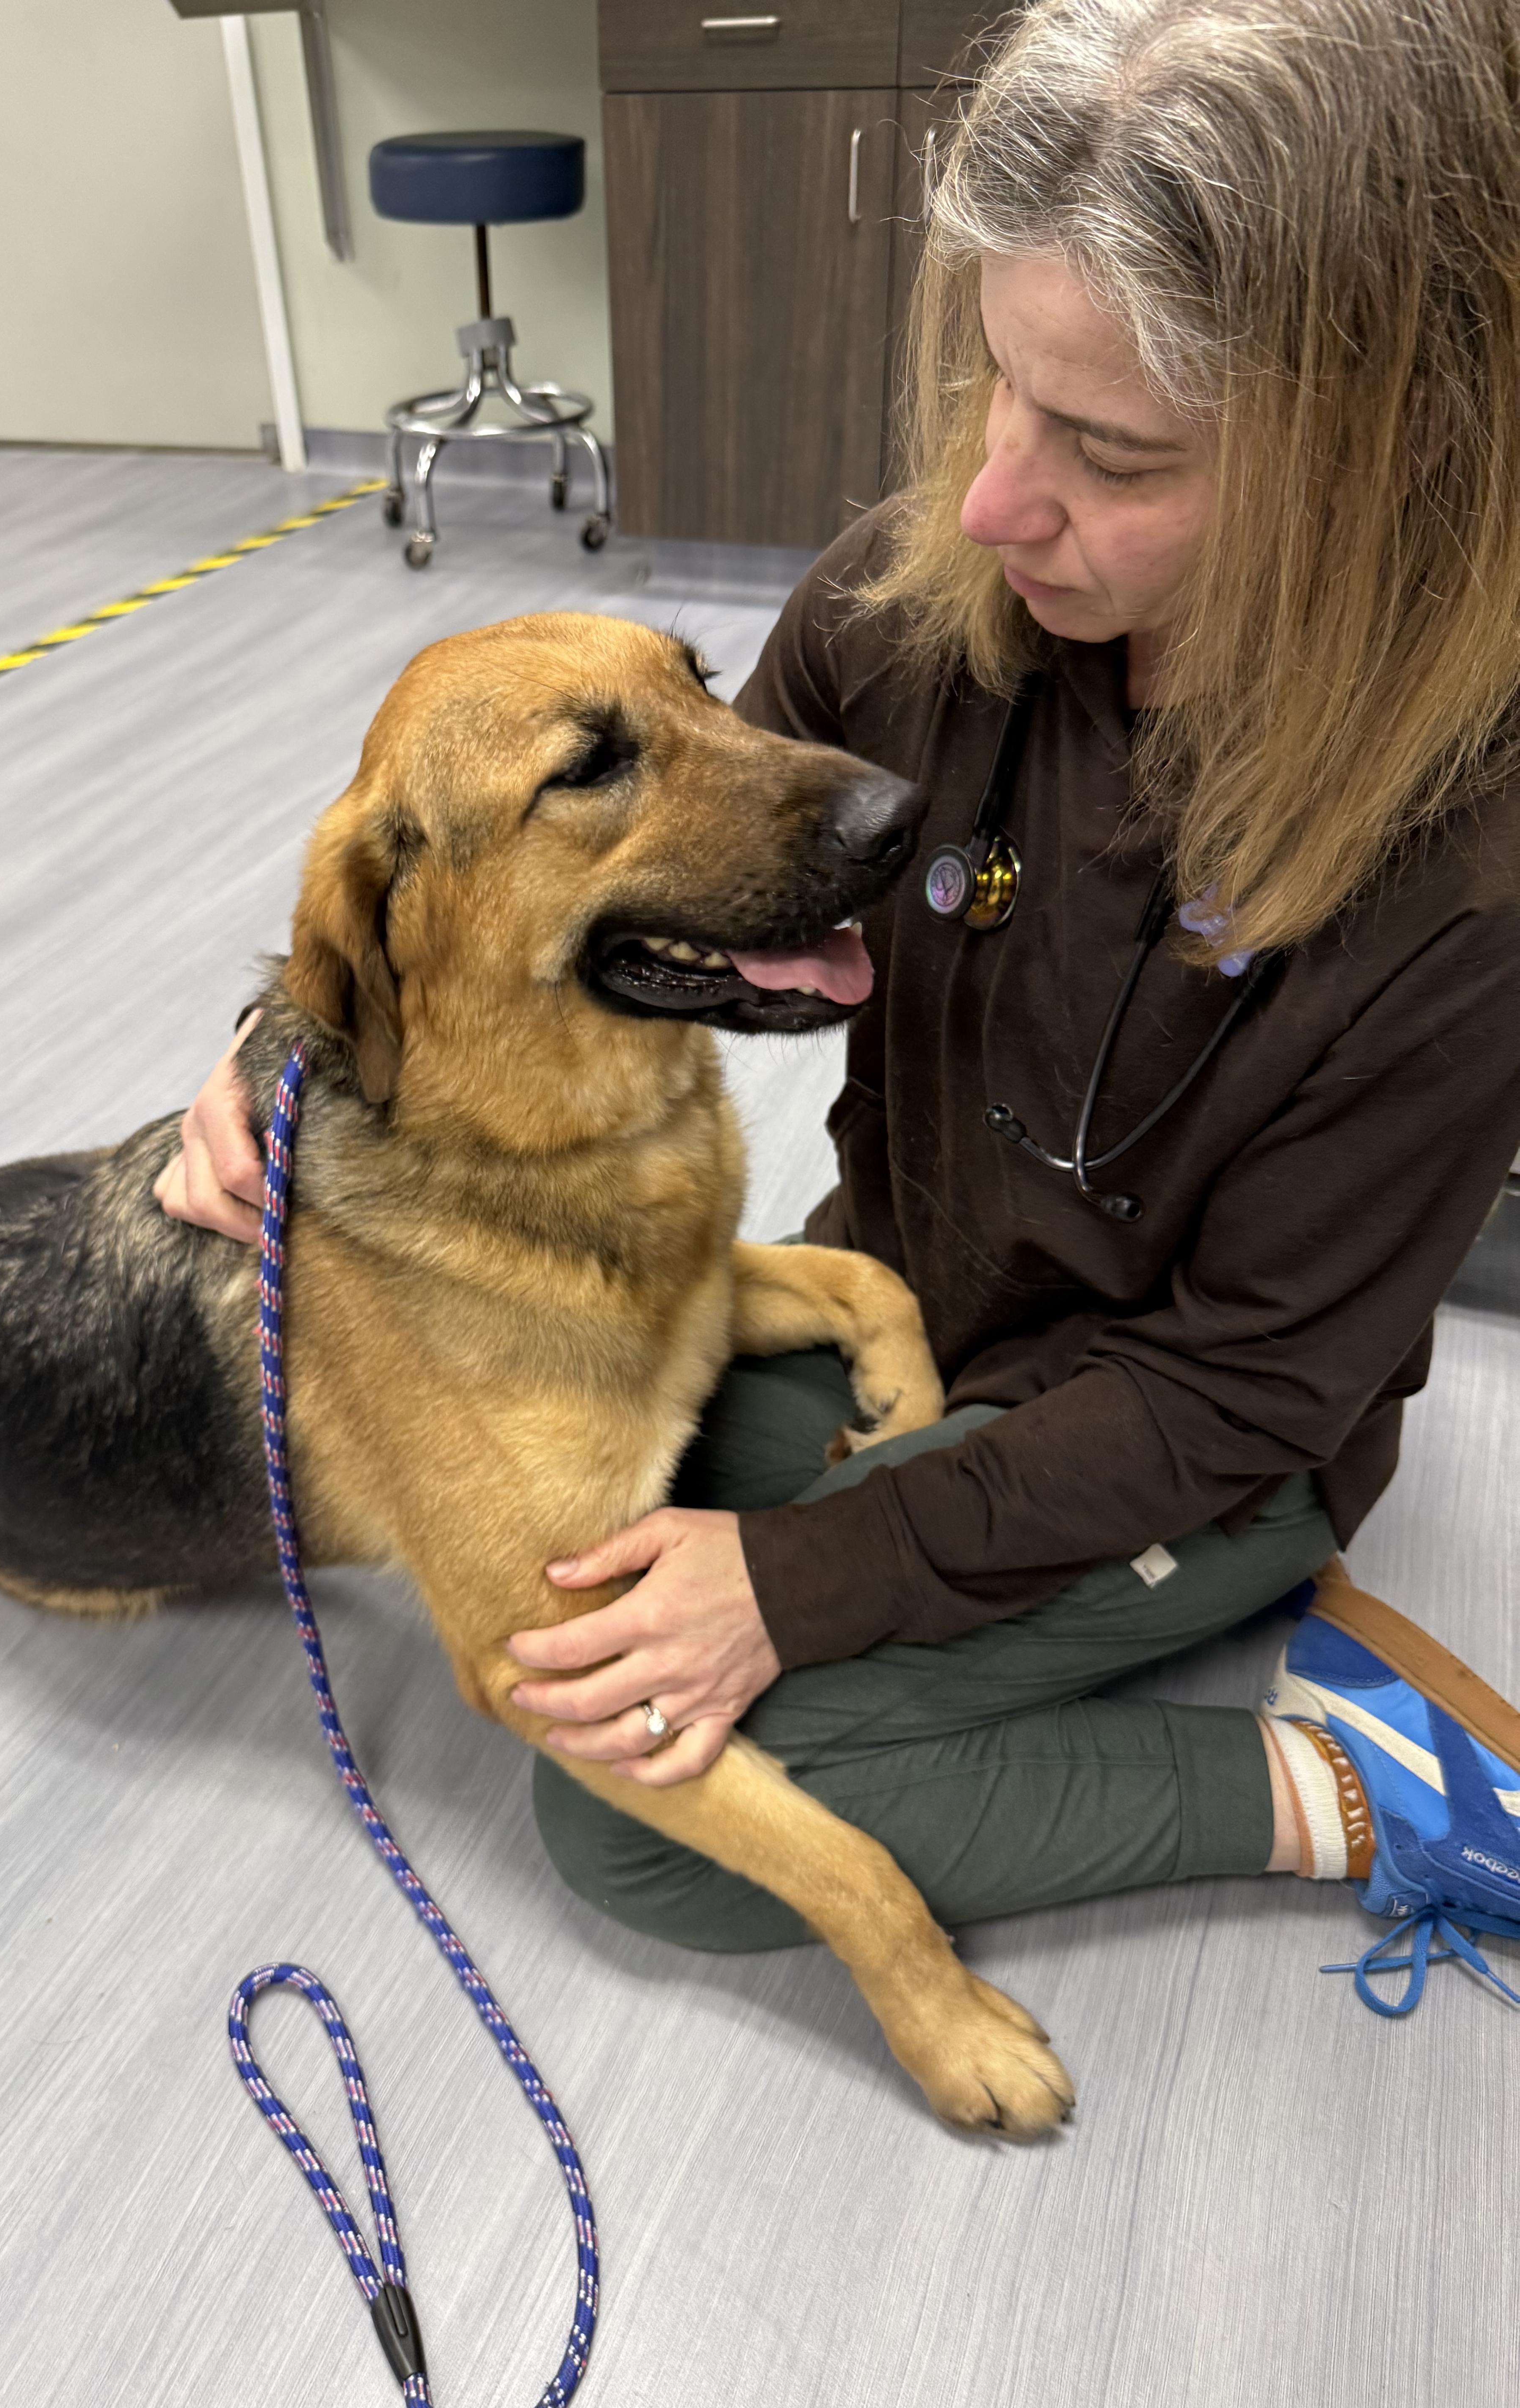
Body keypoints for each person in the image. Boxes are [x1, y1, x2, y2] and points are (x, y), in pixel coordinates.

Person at [159, 0, 1520, 2013]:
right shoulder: (919, 611)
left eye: (1113, 452)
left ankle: (1355, 1781)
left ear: (1382, 447)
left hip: (1191, 1444)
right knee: (587, 1665)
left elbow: (1244, 1387)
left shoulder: (1469, 871)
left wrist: (791, 1587)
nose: (992, 500)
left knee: (638, 1825)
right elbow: (583, 885)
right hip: (887, 1296)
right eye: (997, 388)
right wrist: (298, 1036)